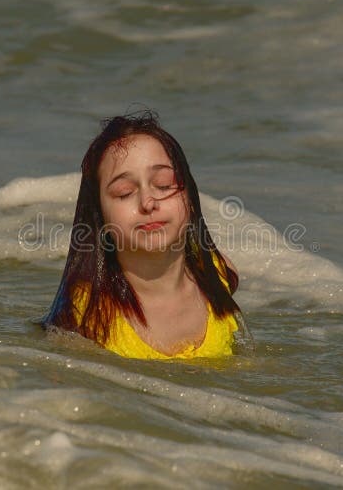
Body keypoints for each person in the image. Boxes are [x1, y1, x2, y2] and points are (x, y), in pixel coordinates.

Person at [42, 110, 249, 359]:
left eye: (163, 184)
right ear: (100, 218)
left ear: (191, 199)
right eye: (124, 192)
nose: (148, 202)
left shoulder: (219, 274)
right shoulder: (82, 316)